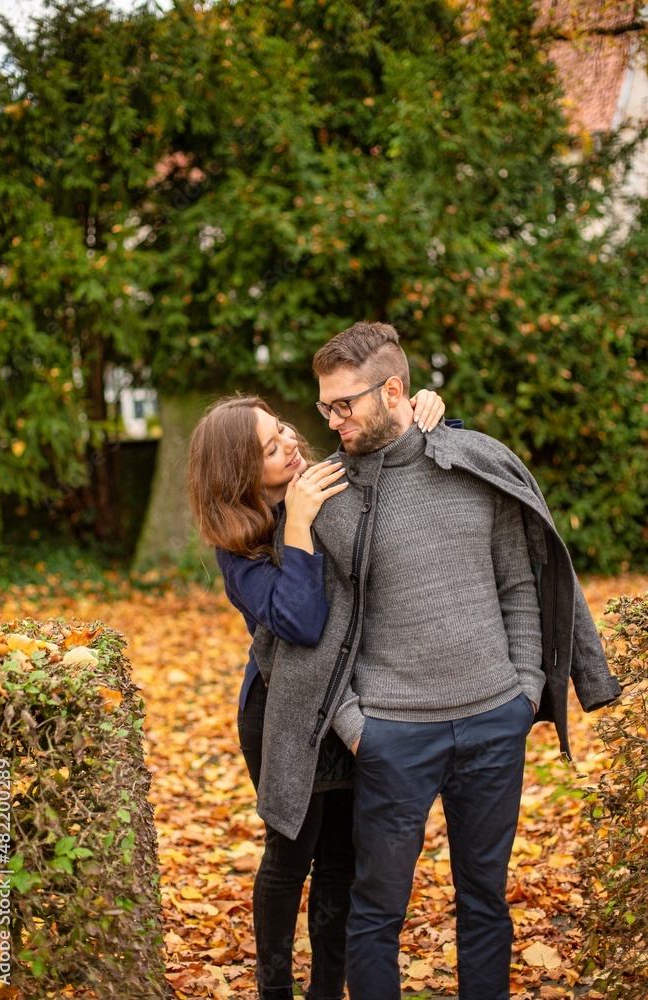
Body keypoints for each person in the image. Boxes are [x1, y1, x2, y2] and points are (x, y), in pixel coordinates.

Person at [249, 322, 621, 1000]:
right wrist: (361, 728)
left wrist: (521, 693)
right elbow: (312, 637)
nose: (329, 421)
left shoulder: (474, 464)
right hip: (392, 737)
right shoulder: (323, 503)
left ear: (393, 390)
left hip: (491, 725)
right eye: (323, 405)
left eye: (343, 404)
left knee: (485, 900)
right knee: (377, 911)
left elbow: (516, 583)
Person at [186, 387, 446, 1000]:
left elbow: (389, 455)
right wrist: (297, 525)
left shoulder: (326, 474)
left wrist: (429, 414)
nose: (291, 446)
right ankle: (273, 988)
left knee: (339, 860)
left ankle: (327, 990)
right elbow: (300, 623)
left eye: (283, 431)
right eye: (270, 449)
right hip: (283, 713)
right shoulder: (239, 546)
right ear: (240, 473)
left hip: (353, 703)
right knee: (289, 855)